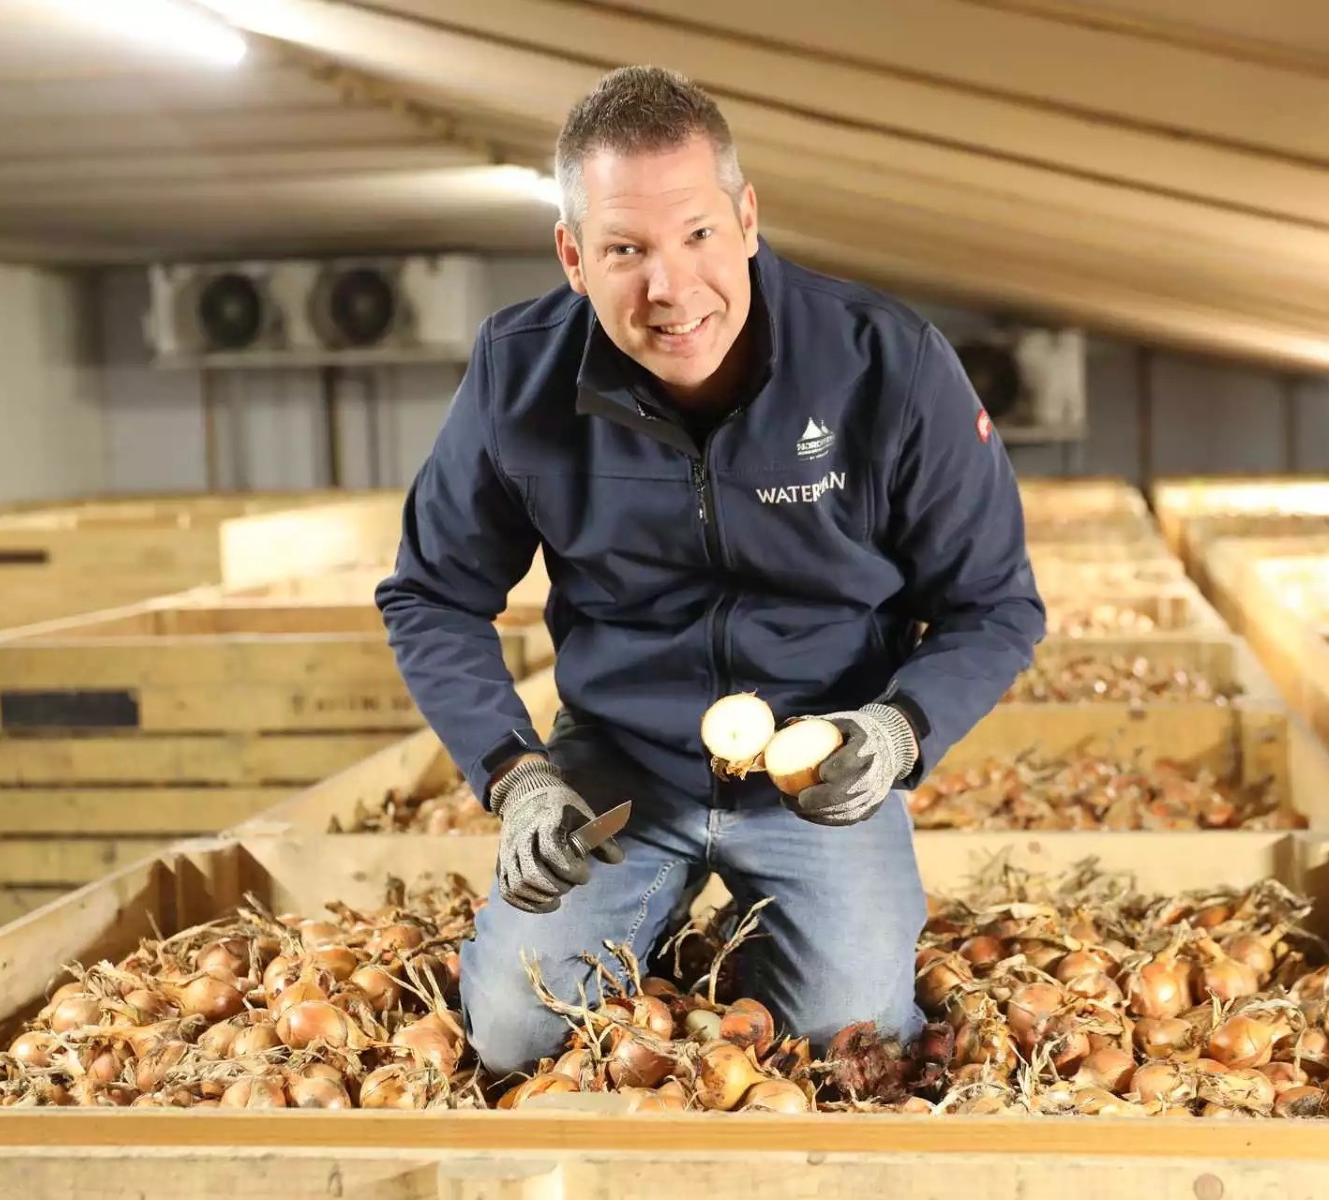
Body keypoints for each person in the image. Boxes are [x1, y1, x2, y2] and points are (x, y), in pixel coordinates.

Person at [375, 65, 1047, 1080]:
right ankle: (661, 970)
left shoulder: (885, 364)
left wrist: (898, 728)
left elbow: (994, 603)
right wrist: (515, 777)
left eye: (696, 235)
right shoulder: (519, 375)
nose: (670, 287)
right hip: (618, 765)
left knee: (850, 1039)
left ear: (746, 219)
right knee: (517, 1036)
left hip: (820, 770)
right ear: (573, 256)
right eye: (625, 250)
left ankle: (712, 992)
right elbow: (430, 593)